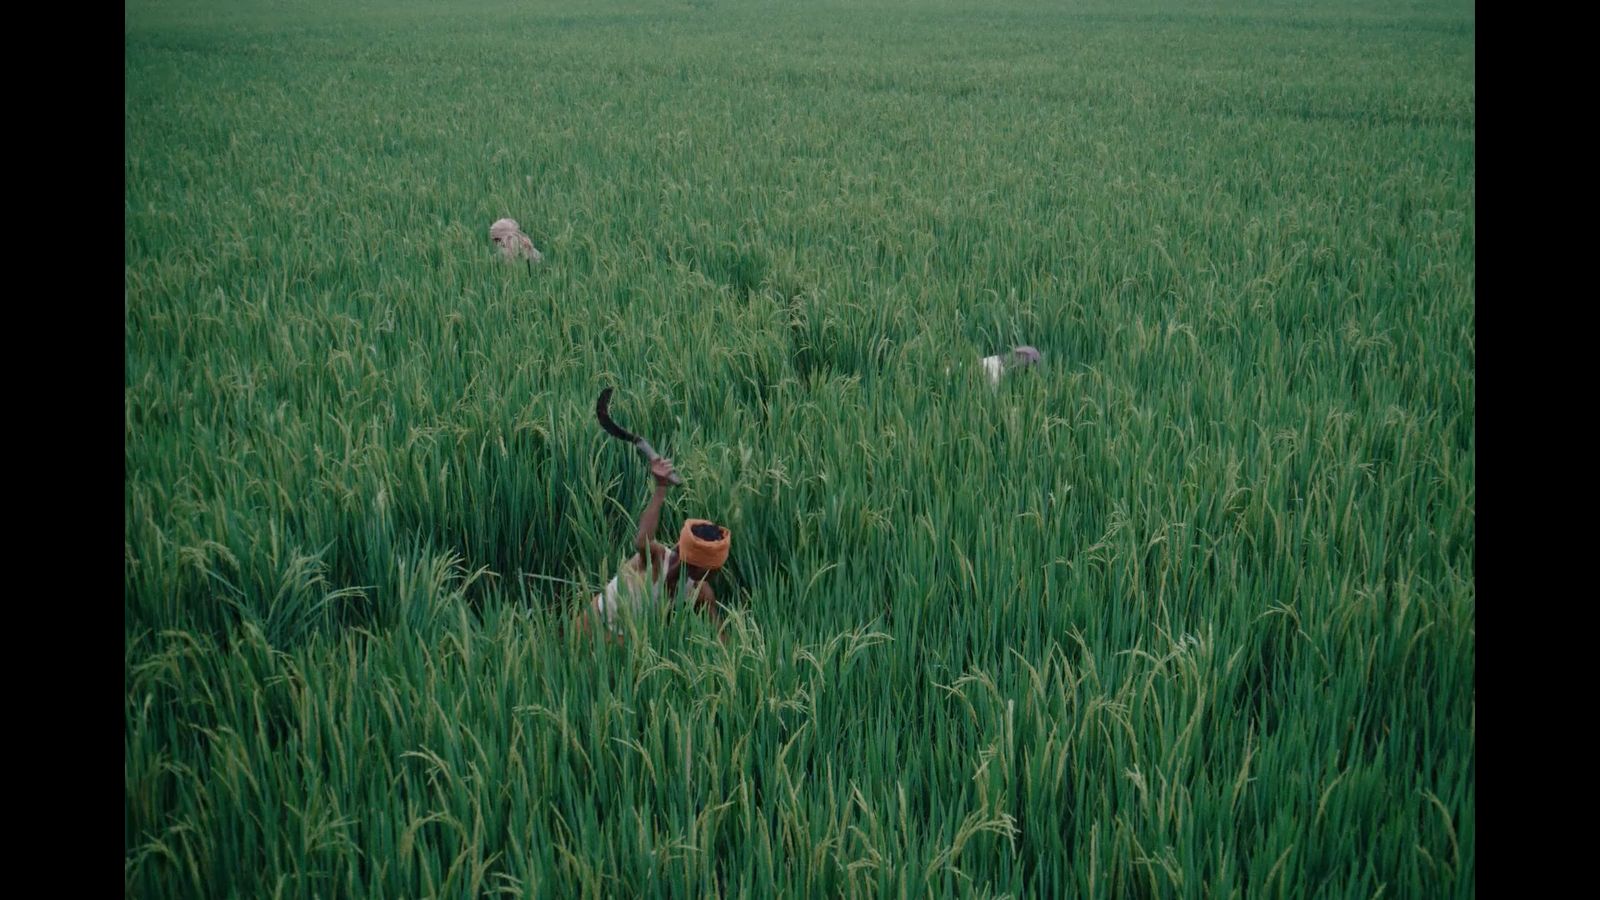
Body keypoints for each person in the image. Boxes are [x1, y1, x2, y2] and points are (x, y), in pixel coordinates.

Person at [578, 457, 729, 641]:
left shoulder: (700, 592)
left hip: (625, 638)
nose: (717, 571)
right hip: (596, 617)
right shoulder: (658, 559)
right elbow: (642, 540)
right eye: (713, 566)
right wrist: (661, 488)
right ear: (697, 561)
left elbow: (720, 635)